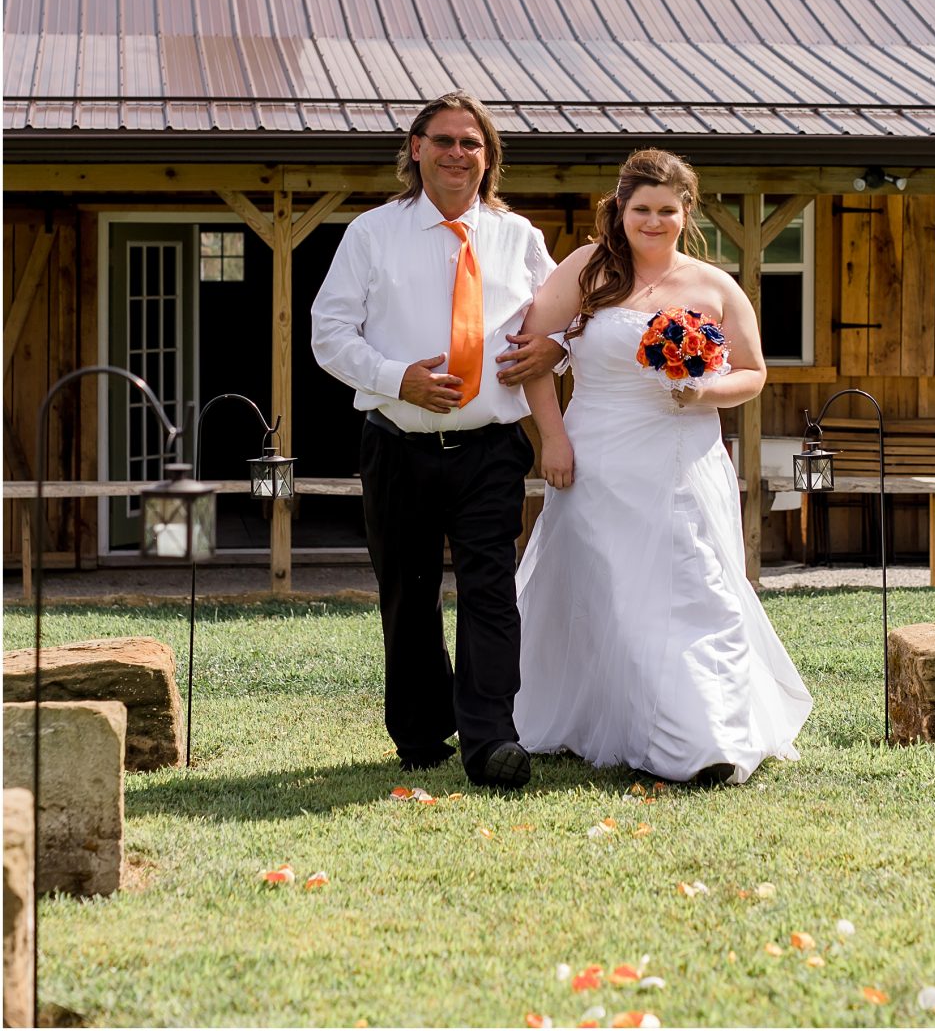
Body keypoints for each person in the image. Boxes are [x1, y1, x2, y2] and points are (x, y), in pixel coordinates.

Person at [514, 148, 812, 784]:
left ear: (687, 212)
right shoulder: (586, 270)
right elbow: (530, 357)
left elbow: (754, 374)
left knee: (698, 588)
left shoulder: (714, 286)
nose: (653, 221)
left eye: (667, 211)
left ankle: (708, 738)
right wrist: (553, 439)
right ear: (620, 209)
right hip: (596, 456)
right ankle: (615, 718)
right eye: (641, 209)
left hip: (684, 456)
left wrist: (703, 391)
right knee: (612, 596)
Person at [310, 93, 563, 789]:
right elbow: (328, 334)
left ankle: (491, 740)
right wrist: (398, 380)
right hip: (397, 443)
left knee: (491, 591)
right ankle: (420, 734)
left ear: (489, 157)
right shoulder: (370, 233)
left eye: (472, 143)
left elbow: (559, 329)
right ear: (415, 148)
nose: (458, 154)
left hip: (490, 447)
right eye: (444, 140)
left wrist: (552, 352)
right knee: (408, 592)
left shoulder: (521, 239)